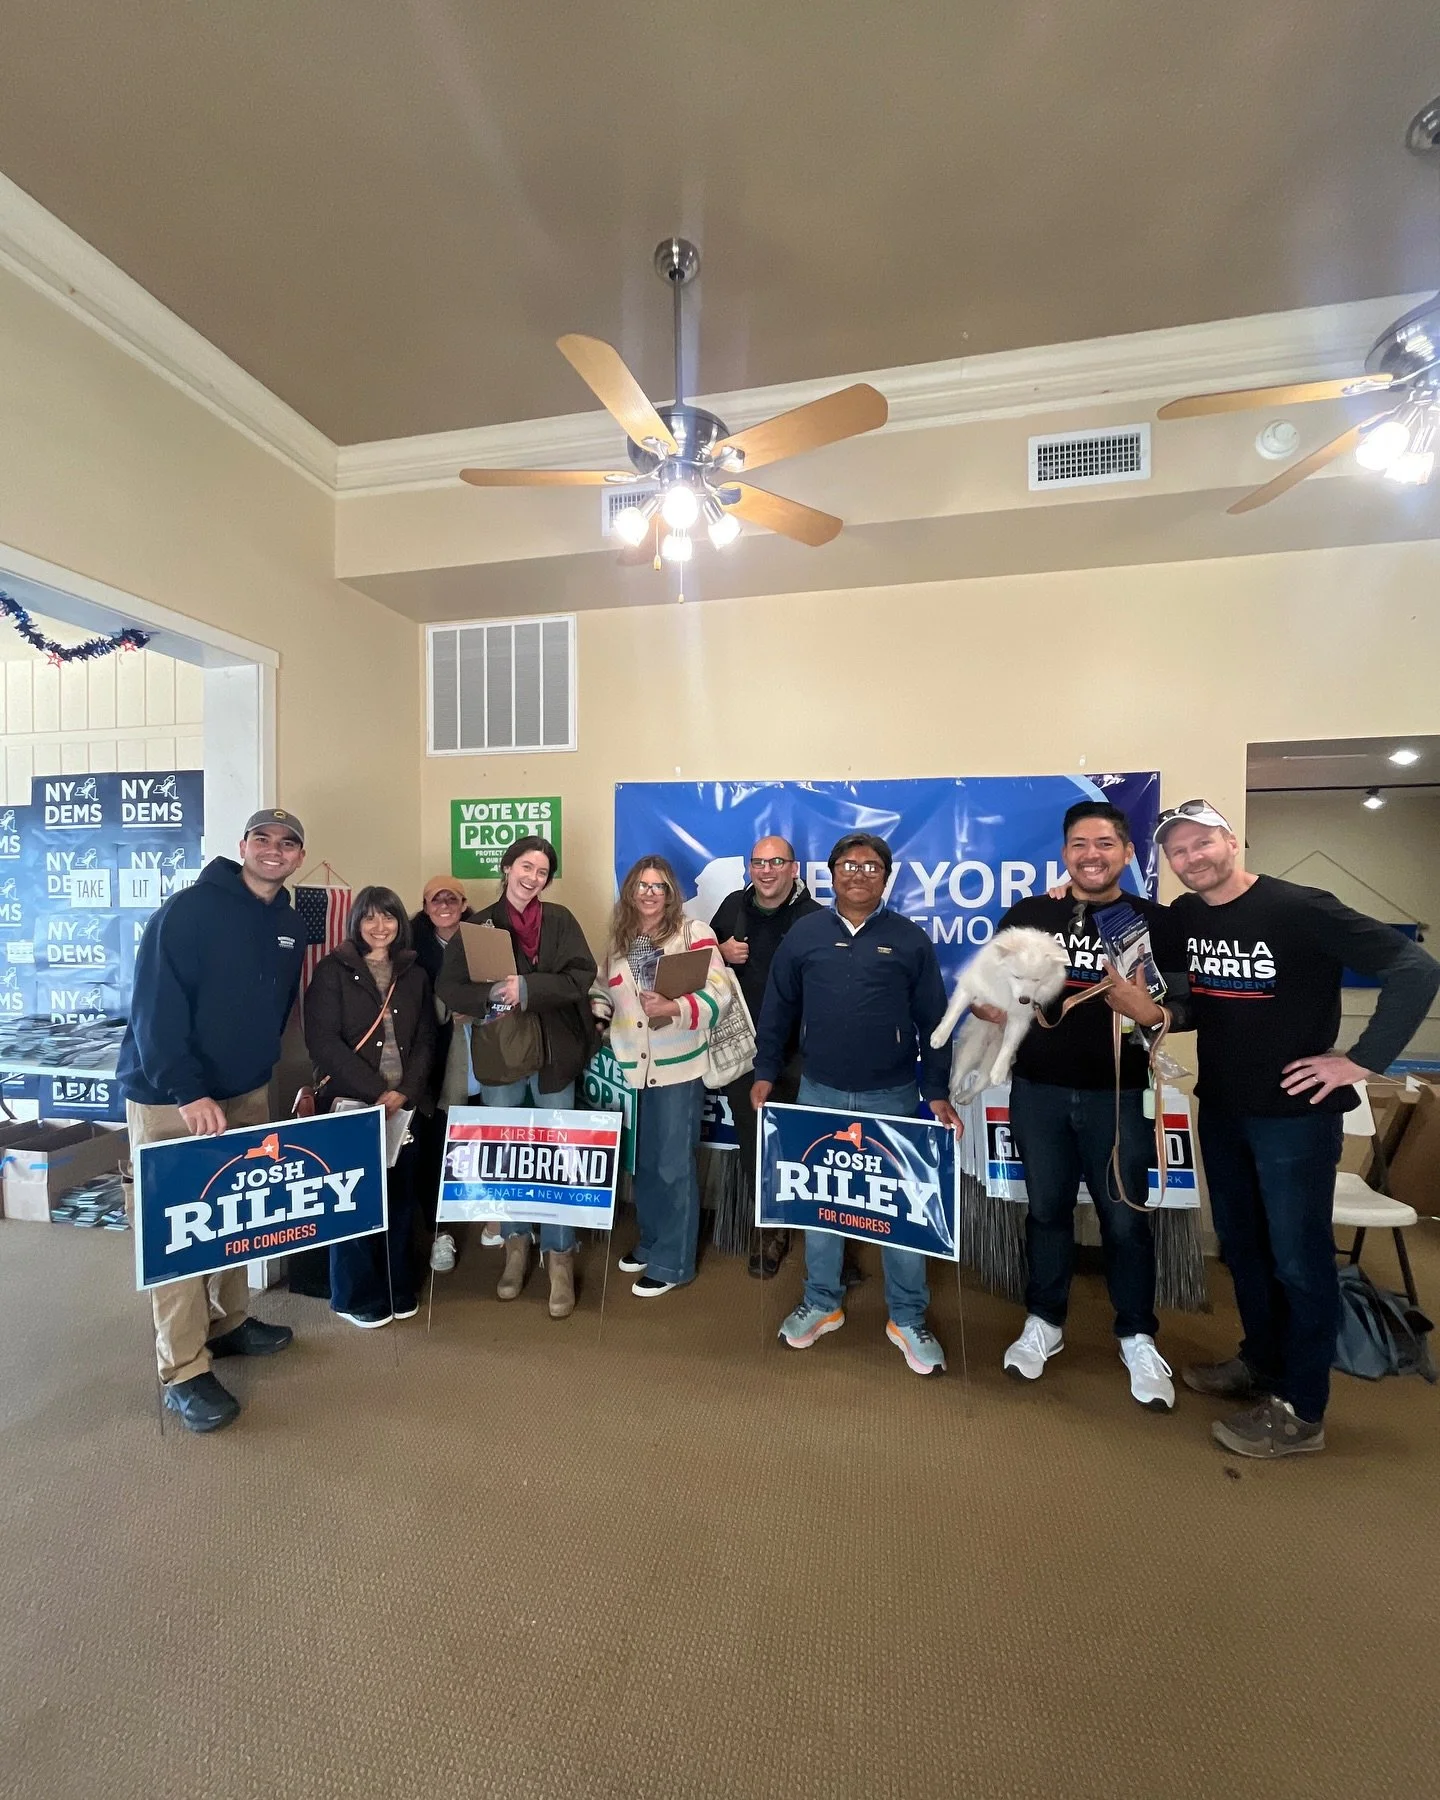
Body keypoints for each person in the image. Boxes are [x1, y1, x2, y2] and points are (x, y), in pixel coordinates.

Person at [1156, 798, 1440, 1459]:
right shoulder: (1188, 917)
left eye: (1202, 843)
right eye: (1178, 850)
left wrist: (1361, 1061)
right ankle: (1261, 1363)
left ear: (1232, 841)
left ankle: (1302, 1409)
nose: (1191, 857)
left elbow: (1415, 968)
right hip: (1223, 1107)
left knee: (1299, 1261)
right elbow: (1195, 1004)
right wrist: (1159, 1011)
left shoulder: (1299, 907)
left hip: (1294, 1122)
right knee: (1243, 1248)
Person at [985, 800, 1191, 1410]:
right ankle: (1044, 1322)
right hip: (1039, 1092)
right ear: (1064, 852)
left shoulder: (1153, 920)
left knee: (1124, 1220)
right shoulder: (1031, 913)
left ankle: (1135, 1334)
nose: (1091, 854)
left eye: (1105, 843)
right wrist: (986, 1005)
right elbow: (992, 983)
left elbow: (1185, 1002)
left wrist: (1152, 1012)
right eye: (1079, 844)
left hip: (1120, 1096)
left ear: (1128, 853)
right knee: (1045, 1211)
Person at [116, 808, 309, 1434]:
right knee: (180, 1233)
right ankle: (183, 1368)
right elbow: (155, 1008)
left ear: (298, 856)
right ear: (243, 846)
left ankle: (227, 1324)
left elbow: (275, 1006)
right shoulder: (189, 910)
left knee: (234, 1218)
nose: (273, 851)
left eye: (286, 843)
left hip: (244, 1093)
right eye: (262, 839)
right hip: (173, 1097)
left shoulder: (288, 922)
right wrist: (186, 1090)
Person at [753, 832, 959, 1376]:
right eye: (848, 865)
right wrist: (766, 1072)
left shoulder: (909, 940)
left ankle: (908, 1317)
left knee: (900, 1209)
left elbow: (935, 1023)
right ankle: (823, 1302)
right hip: (818, 1089)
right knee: (820, 1207)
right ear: (831, 873)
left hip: (892, 1094)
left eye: (871, 867)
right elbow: (777, 1008)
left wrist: (935, 1091)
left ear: (885, 878)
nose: (858, 874)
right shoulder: (805, 934)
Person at [436, 836, 598, 1319]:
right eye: (525, 866)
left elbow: (580, 976)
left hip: (554, 1057)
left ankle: (560, 1257)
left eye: (542, 872)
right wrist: (491, 996)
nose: (533, 877)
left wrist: (526, 987)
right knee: (507, 1155)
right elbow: (450, 987)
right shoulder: (479, 925)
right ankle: (515, 1248)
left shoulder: (562, 921)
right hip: (502, 1058)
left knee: (558, 1157)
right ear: (507, 868)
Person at [591, 855, 731, 1298]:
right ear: (630, 891)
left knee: (673, 1166)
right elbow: (603, 988)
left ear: (671, 894)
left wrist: (674, 1008)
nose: (650, 894)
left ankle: (674, 1262)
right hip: (634, 1069)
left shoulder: (693, 933)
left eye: (660, 887)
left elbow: (720, 992)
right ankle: (652, 1242)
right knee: (646, 1165)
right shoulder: (620, 939)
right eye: (642, 886)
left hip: (677, 1067)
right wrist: (598, 1013)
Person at [305, 886, 437, 1329]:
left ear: (401, 922)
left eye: (389, 918)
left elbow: (425, 1039)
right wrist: (375, 1091)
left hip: (405, 1105)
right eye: (370, 918)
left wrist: (406, 1092)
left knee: (399, 1199)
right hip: (350, 1102)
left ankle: (399, 1285)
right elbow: (322, 1042)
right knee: (352, 1202)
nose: (380, 927)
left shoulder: (414, 973)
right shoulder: (331, 971)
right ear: (356, 922)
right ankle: (356, 1294)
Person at [710, 834, 823, 1277]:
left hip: (803, 1054)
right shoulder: (730, 909)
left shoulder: (815, 918)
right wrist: (718, 953)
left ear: (794, 869)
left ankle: (821, 1234)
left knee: (805, 1143)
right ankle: (770, 1230)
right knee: (756, 1144)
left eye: (777, 862)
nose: (767, 869)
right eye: (758, 862)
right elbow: (690, 966)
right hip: (744, 1052)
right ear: (749, 868)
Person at [409, 876, 481, 1274]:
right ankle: (441, 1232)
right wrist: (446, 1010)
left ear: (464, 903)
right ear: (425, 905)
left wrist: (477, 1008)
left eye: (451, 899)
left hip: (484, 1058)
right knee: (438, 1150)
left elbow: (501, 991)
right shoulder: (412, 948)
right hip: (435, 1066)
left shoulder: (483, 939)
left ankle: (495, 1219)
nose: (444, 905)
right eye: (436, 900)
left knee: (488, 1143)